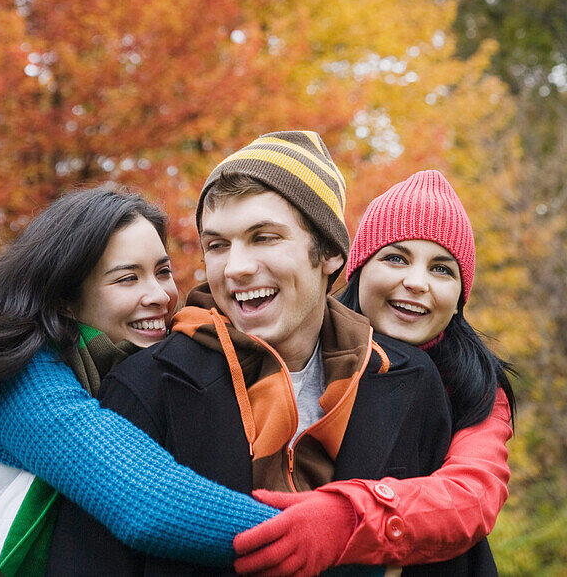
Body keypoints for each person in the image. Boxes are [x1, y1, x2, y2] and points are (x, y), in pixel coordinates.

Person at [46, 132, 492, 576]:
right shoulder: (146, 386)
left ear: (331, 253)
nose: (236, 267)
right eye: (217, 245)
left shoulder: (408, 380)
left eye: (264, 238)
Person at [0, 184, 276, 575]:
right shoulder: (21, 382)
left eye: (163, 271)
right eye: (127, 279)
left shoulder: (116, 366)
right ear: (65, 298)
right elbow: (149, 502)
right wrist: (317, 532)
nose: (160, 295)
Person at [233, 169, 515, 576]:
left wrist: (349, 517)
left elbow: (472, 496)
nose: (416, 282)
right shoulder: (296, 344)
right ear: (358, 269)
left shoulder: (474, 387)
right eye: (396, 258)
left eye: (441, 269)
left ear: (459, 300)